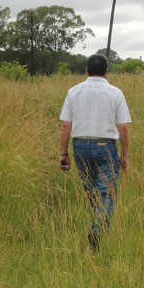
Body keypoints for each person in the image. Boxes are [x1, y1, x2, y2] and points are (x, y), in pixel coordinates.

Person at [59, 54, 131, 249]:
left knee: (90, 189)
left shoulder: (74, 92)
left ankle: (96, 224)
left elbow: (66, 125)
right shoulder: (116, 93)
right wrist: (124, 154)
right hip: (106, 147)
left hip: (79, 146)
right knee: (106, 192)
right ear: (107, 72)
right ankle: (98, 229)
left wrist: (63, 154)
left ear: (86, 71)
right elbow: (123, 127)